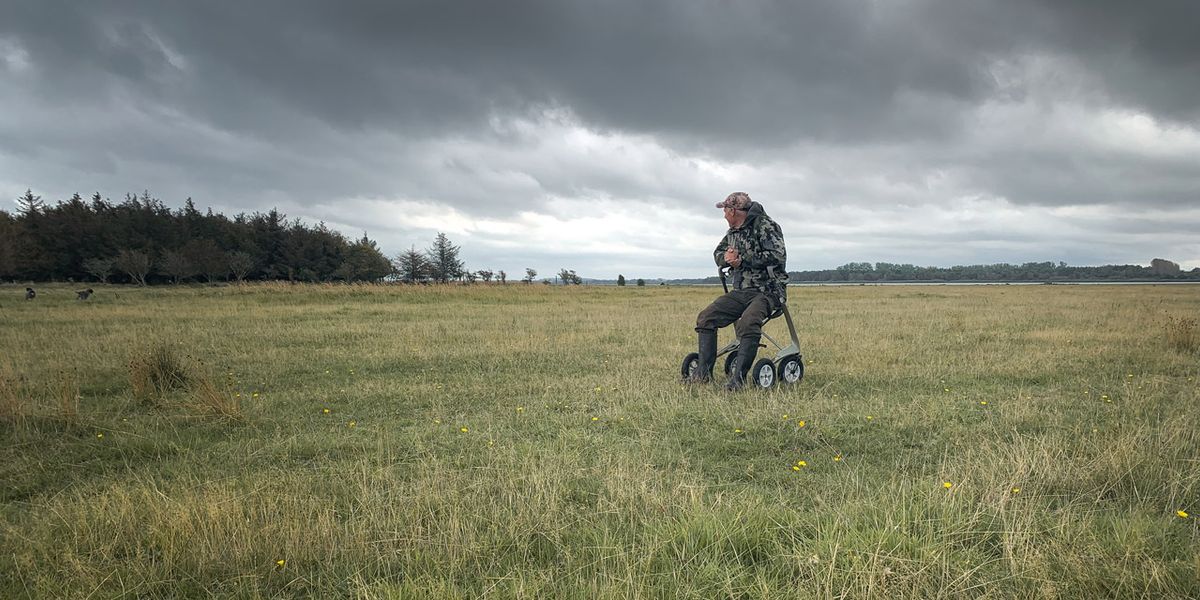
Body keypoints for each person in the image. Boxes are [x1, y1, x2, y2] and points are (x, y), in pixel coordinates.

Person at [687, 192, 788, 390]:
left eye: (725, 210)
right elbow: (717, 254)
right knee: (706, 318)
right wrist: (726, 258)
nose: (724, 215)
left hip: (768, 291)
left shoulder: (767, 226)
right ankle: (702, 374)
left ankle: (738, 380)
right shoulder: (732, 233)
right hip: (741, 290)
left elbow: (777, 256)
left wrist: (743, 259)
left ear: (733, 211)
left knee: (748, 323)